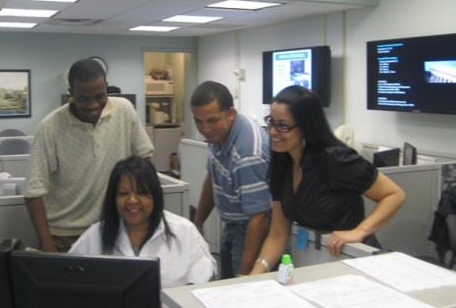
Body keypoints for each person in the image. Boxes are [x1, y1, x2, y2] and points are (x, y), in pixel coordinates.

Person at [250, 85, 406, 275]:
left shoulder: (335, 160)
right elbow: (278, 233)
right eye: (271, 122)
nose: (273, 132)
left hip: (354, 261)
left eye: (283, 126)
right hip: (316, 261)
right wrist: (254, 276)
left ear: (306, 127)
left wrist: (360, 231)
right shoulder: (282, 163)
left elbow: (394, 194)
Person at [24, 58, 154, 253]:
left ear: (106, 88)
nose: (93, 105)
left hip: (114, 227)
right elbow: (33, 191)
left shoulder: (125, 111)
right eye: (84, 99)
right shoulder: (49, 128)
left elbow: (144, 160)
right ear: (71, 93)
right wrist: (46, 242)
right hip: (64, 234)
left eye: (100, 96)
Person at [69, 156, 217, 288]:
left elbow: (204, 282)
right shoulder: (94, 236)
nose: (132, 200)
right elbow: (67, 280)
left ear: (155, 195)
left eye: (141, 192)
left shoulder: (184, 232)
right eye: (123, 193)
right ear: (113, 198)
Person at [190, 81, 272, 278]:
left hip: (252, 231)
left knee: (242, 292)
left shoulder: (248, 154)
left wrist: (244, 275)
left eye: (211, 120)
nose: (205, 129)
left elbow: (259, 217)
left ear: (231, 114)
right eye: (198, 121)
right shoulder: (219, 135)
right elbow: (213, 177)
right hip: (233, 226)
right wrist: (198, 222)